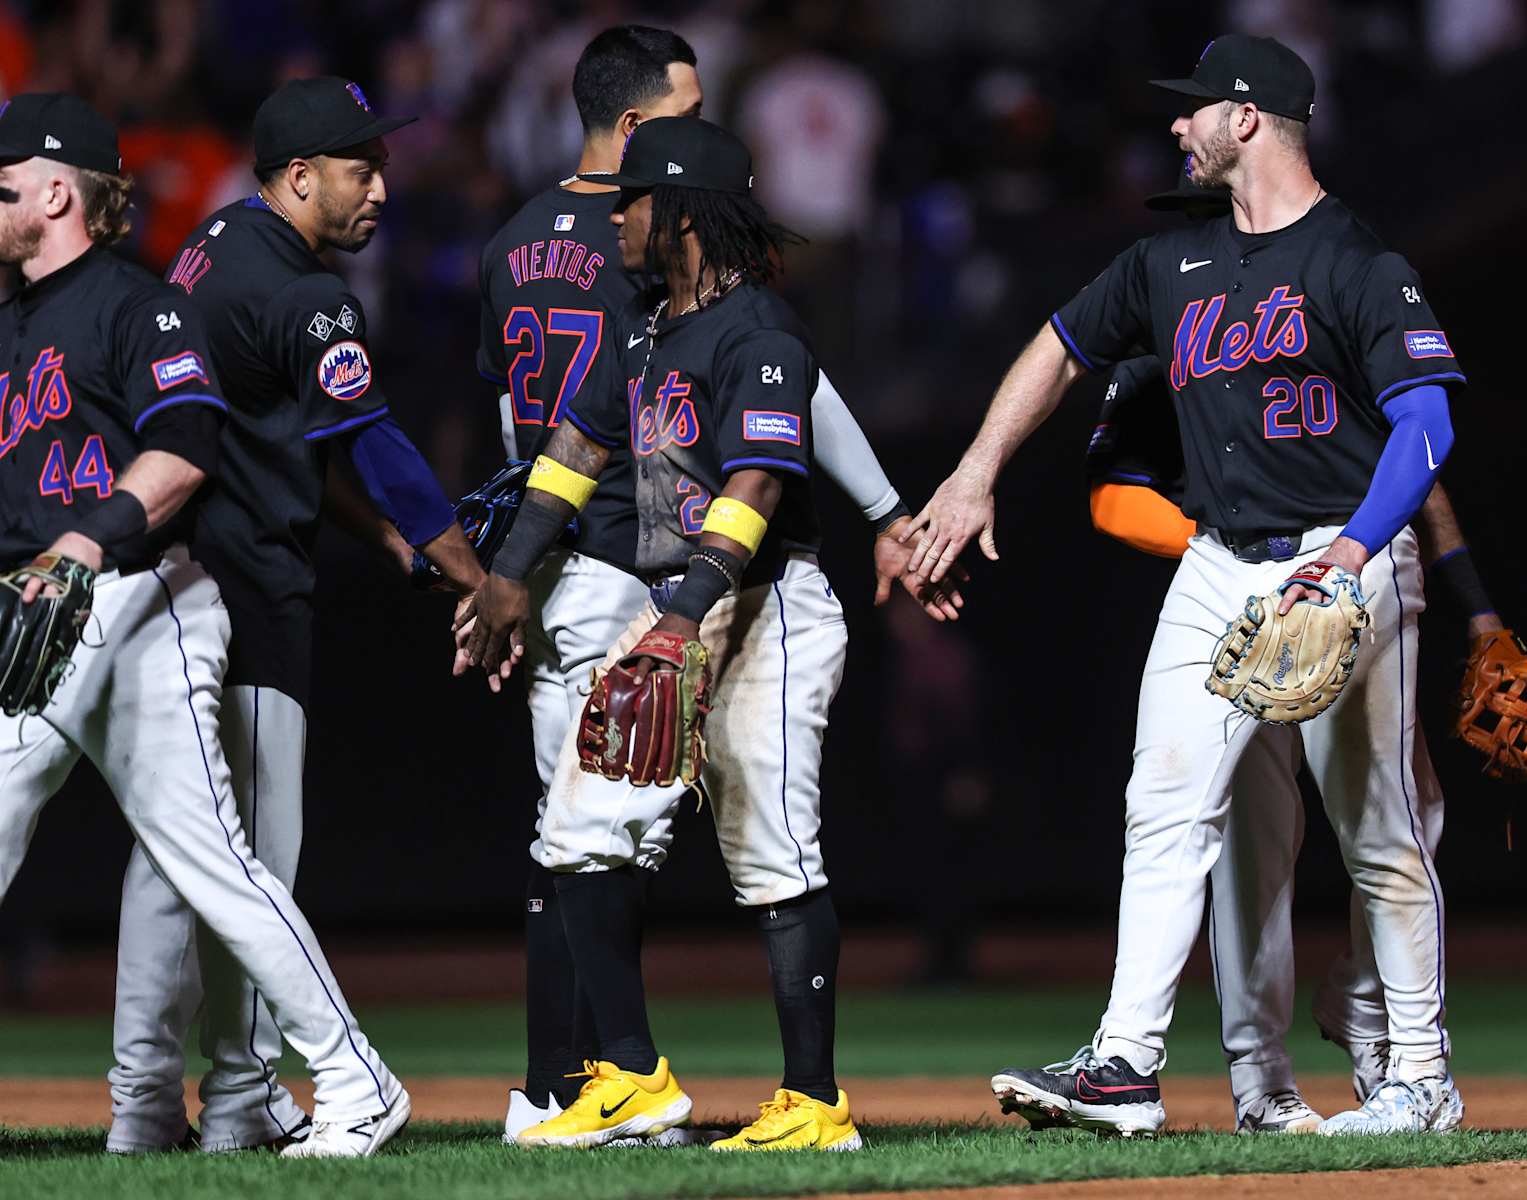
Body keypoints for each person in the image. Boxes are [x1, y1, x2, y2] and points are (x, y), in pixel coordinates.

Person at [910, 35, 1467, 1136]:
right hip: (1217, 561)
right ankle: (1125, 1064)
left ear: (1249, 118)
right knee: (1163, 805)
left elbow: (1430, 423)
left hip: (1339, 556)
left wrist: (1351, 558)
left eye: (1194, 108)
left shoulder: (1356, 260)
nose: (1176, 125)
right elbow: (1059, 346)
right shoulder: (1171, 263)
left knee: (1380, 828)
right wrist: (975, 473)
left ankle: (1422, 1074)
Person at [472, 26, 952, 1142]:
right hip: (673, 607)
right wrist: (504, 580)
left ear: (682, 215)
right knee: (579, 831)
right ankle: (633, 1075)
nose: (619, 220)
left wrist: (677, 623)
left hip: (767, 608)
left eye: (635, 205)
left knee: (771, 846)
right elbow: (566, 463)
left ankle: (815, 1101)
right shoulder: (643, 335)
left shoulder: (760, 334)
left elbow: (756, 492)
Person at [0, 92, 410, 1159]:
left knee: (210, 860)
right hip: (38, 616)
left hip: (144, 602)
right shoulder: (10, 326)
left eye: (0, 186)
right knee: (176, 860)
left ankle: (353, 1078)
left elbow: (185, 446)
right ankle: (143, 1112)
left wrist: (82, 546)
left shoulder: (144, 308)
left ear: (56, 193)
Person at [104, 76, 482, 1155]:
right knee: (253, 857)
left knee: (172, 854)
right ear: (301, 176)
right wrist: (472, 571)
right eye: (360, 170)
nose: (381, 188)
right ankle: (245, 1094)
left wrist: (389, 544)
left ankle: (157, 1105)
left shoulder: (219, 240)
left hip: (173, 584)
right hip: (249, 590)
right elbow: (377, 446)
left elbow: (282, 436)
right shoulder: (313, 299)